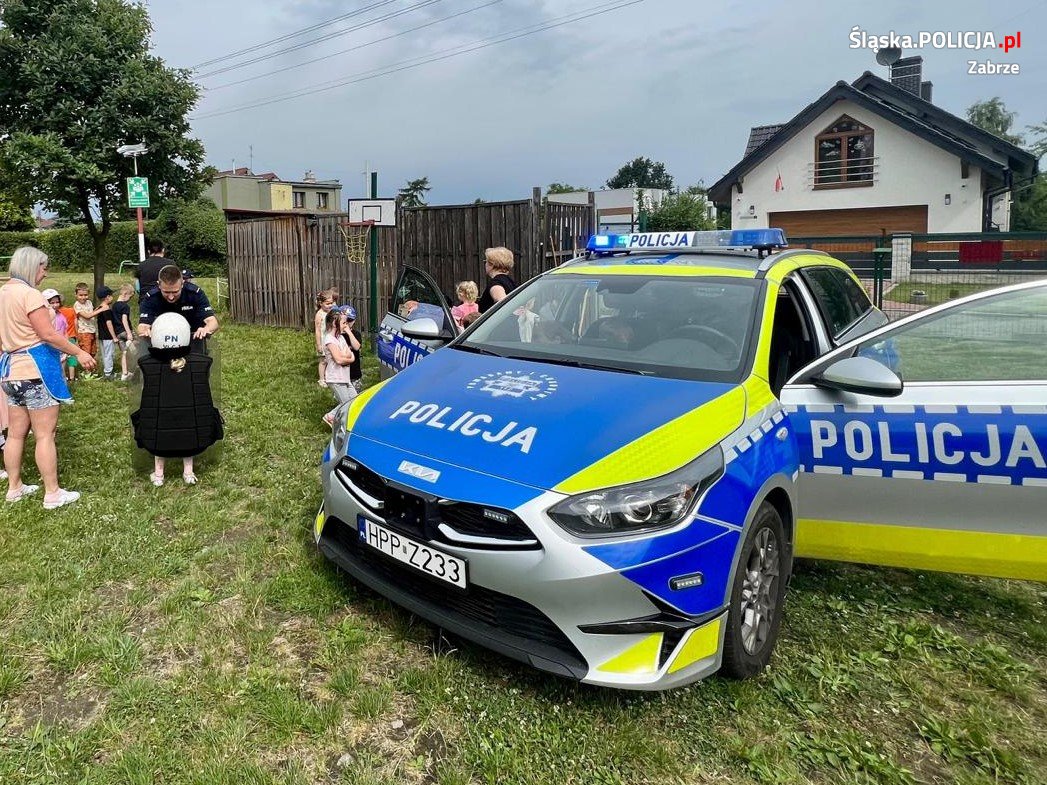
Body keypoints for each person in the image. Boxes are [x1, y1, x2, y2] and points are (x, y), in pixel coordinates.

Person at [0, 247, 96, 508]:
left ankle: (14, 487)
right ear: (32, 266)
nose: (45, 273)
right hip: (35, 371)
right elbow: (49, 334)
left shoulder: (3, 293)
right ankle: (52, 493)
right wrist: (79, 352)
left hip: (10, 373)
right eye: (43, 268)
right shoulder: (30, 295)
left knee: (16, 434)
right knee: (45, 434)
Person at [131, 312, 222, 486]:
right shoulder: (201, 363)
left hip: (157, 436)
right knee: (188, 435)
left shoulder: (147, 364)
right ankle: (188, 473)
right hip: (194, 436)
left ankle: (159, 475)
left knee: (159, 431)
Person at [137, 265, 219, 345]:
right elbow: (143, 325)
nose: (171, 297)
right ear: (159, 285)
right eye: (166, 292)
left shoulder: (195, 294)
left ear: (182, 283)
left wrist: (206, 329)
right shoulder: (151, 298)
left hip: (193, 339)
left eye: (175, 292)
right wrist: (145, 331)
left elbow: (212, 321)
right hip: (161, 342)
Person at [321, 308, 357, 427]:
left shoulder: (340, 338)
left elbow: (350, 355)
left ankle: (335, 418)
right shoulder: (329, 340)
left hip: (344, 377)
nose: (346, 325)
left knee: (355, 400)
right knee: (346, 404)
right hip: (335, 378)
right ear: (334, 323)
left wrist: (347, 357)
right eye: (343, 323)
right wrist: (346, 357)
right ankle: (332, 417)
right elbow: (339, 359)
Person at [73, 282, 106, 367]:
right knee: (86, 352)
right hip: (83, 332)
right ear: (76, 295)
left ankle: (91, 369)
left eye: (85, 295)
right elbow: (87, 316)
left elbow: (92, 312)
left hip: (92, 330)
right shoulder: (77, 305)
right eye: (81, 295)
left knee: (93, 351)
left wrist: (100, 307)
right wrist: (101, 310)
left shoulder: (89, 303)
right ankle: (86, 372)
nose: (83, 297)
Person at [478, 246, 516, 313]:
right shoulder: (510, 282)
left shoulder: (495, 284)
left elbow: (503, 303)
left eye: (486, 261)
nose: (485, 264)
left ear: (492, 264)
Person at [313, 288, 338, 388]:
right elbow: (318, 330)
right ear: (320, 303)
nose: (330, 305)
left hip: (331, 339)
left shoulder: (331, 310)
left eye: (331, 303)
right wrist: (319, 344)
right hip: (323, 340)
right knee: (323, 360)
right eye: (327, 303)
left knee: (331, 358)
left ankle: (330, 376)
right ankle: (322, 379)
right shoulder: (319, 314)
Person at [96, 286, 120, 379]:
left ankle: (107, 371)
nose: (112, 297)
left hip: (102, 335)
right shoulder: (107, 309)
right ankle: (108, 373)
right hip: (108, 336)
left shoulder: (99, 307)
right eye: (111, 295)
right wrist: (114, 336)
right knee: (109, 354)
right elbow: (109, 323)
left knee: (105, 354)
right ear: (107, 297)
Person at [112, 284, 135, 381]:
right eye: (130, 297)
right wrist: (129, 333)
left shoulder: (114, 306)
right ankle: (137, 368)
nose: (129, 299)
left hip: (118, 333)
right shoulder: (125, 306)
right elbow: (124, 320)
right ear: (125, 294)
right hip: (125, 332)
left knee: (124, 352)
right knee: (139, 346)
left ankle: (124, 373)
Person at [341, 304, 363, 392]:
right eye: (345, 320)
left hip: (354, 373)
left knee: (356, 396)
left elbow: (357, 347)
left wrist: (349, 332)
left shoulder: (355, 334)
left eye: (350, 320)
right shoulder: (336, 335)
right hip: (340, 374)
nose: (347, 323)